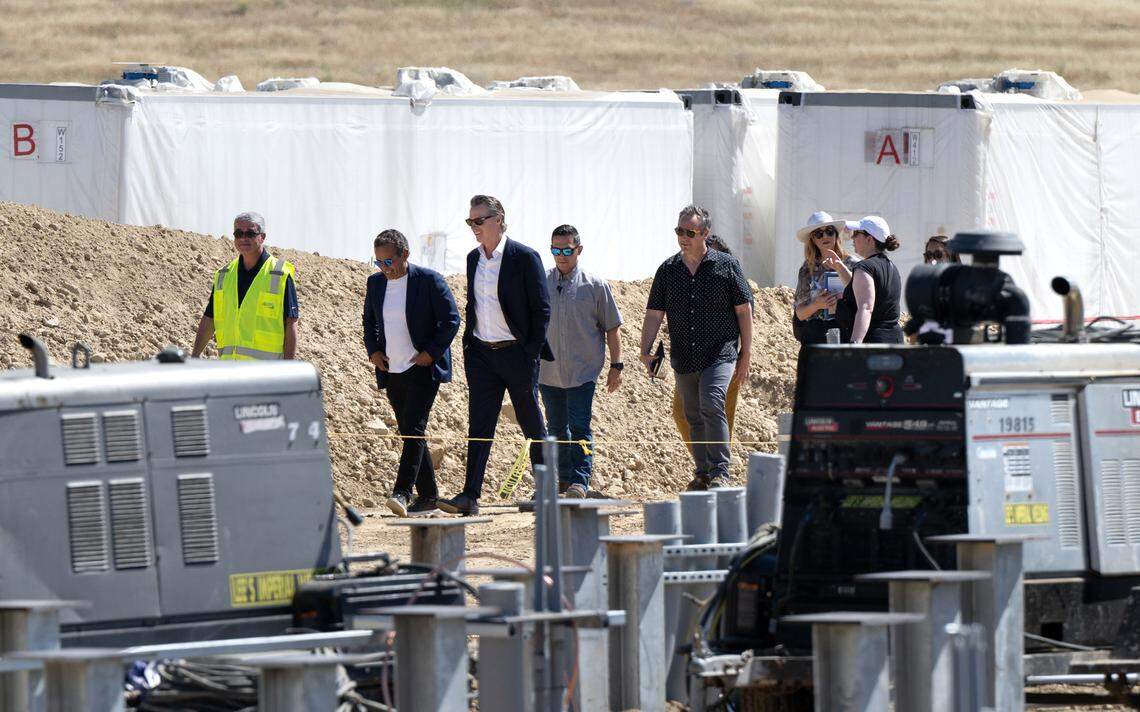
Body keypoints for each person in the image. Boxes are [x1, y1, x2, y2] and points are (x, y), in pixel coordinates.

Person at [438, 195, 552, 516]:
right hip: (482, 356)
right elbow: (474, 305)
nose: (473, 227)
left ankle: (545, 491)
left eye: (478, 221)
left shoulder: (524, 258)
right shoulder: (474, 259)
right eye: (470, 222)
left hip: (517, 353)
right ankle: (470, 495)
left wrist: (530, 353)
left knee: (531, 421)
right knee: (480, 424)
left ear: (498, 220)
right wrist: (469, 347)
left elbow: (542, 310)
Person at [641, 205, 754, 492]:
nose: (683, 237)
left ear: (705, 233)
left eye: (689, 232)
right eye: (679, 231)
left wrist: (746, 355)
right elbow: (655, 312)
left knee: (712, 401)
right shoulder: (668, 270)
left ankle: (720, 471)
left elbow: (744, 311)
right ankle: (703, 471)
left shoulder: (726, 265)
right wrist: (645, 348)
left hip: (720, 352)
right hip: (684, 355)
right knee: (691, 413)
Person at [363, 229, 461, 517]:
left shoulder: (428, 281)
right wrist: (373, 351)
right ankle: (429, 495)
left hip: (422, 367)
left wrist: (431, 352)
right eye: (378, 262)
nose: (385, 268)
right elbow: (369, 321)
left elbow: (451, 319)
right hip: (392, 369)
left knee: (414, 428)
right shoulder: (375, 284)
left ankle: (402, 492)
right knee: (409, 430)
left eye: (389, 261)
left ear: (405, 254)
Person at [539, 224, 623, 499]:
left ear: (579, 250)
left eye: (566, 250)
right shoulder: (542, 282)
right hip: (548, 373)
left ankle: (580, 479)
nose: (561, 256)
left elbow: (612, 327)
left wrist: (616, 365)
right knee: (556, 428)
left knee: (580, 429)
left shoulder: (595, 286)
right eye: (555, 250)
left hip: (582, 373)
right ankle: (563, 480)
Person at [193, 211, 298, 360]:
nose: (243, 238)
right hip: (231, 372)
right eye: (238, 233)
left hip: (267, 375)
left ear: (262, 237)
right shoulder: (224, 275)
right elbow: (209, 318)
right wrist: (194, 356)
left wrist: (288, 371)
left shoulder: (279, 274)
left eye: (250, 233)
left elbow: (291, 324)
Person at [671, 235, 741, 449]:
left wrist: (744, 356)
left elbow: (745, 322)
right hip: (690, 362)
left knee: (719, 416)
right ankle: (706, 467)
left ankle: (717, 471)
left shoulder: (732, 280)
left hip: (723, 361)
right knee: (683, 413)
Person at [791, 211, 858, 345]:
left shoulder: (854, 264)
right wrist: (817, 304)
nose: (825, 236)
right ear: (813, 240)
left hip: (846, 333)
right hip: (816, 335)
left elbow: (864, 301)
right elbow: (800, 313)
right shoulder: (807, 269)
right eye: (818, 234)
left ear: (836, 234)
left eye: (829, 231)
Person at [837, 216, 903, 344]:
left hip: (873, 344)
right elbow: (859, 291)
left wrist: (855, 343)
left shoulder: (864, 267)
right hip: (894, 342)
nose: (852, 238)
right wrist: (839, 267)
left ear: (869, 239)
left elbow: (866, 307)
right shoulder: (891, 267)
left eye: (856, 233)